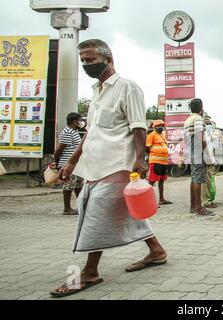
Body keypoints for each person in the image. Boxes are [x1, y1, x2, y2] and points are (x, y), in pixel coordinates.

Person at [51, 39, 167, 298]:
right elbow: (91, 133)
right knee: (121, 211)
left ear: (108, 59)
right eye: (82, 61)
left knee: (95, 212)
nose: (85, 65)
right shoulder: (96, 91)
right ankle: (156, 250)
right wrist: (71, 161)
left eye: (90, 60)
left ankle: (89, 271)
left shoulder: (127, 87)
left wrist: (140, 159)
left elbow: (138, 127)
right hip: (94, 165)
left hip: (118, 164)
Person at [184, 98, 214, 216]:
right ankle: (199, 208)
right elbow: (201, 138)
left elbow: (186, 139)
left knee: (194, 177)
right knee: (198, 179)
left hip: (191, 150)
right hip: (198, 151)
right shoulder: (197, 119)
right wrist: (206, 153)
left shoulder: (188, 120)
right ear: (201, 108)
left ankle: (193, 206)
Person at [53, 112, 84, 215]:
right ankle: (67, 208)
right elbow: (59, 149)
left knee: (78, 185)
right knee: (69, 185)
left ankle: (80, 206)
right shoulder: (68, 132)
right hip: (67, 163)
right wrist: (57, 162)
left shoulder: (74, 132)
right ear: (75, 122)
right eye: (80, 120)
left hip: (76, 164)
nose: (82, 122)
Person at [146, 119, 172, 205]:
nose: (160, 127)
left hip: (163, 162)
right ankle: (148, 201)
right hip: (155, 161)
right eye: (158, 126)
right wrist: (150, 157)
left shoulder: (162, 135)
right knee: (151, 181)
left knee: (161, 180)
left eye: (161, 125)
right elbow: (147, 148)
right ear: (154, 127)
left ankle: (161, 199)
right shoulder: (151, 135)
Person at [201, 117, 218, 209]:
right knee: (205, 182)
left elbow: (212, 149)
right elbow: (205, 150)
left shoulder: (208, 136)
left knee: (208, 182)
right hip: (205, 162)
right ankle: (205, 201)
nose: (208, 126)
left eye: (209, 124)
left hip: (209, 162)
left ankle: (206, 199)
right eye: (206, 124)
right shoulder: (203, 135)